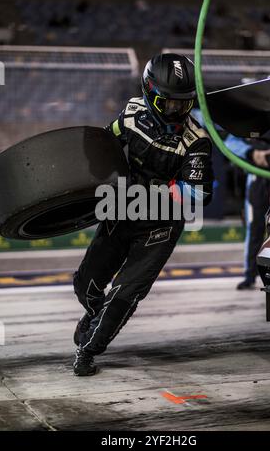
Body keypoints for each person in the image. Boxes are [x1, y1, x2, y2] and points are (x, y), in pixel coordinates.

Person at [72, 53, 214, 376]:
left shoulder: (198, 141)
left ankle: (88, 350)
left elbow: (200, 193)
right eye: (170, 104)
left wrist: (156, 194)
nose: (177, 112)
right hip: (122, 210)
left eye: (184, 104)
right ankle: (95, 314)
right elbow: (105, 145)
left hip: (161, 225)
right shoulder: (132, 112)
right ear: (150, 94)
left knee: (124, 294)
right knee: (85, 284)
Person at [225, 104, 270, 290]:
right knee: (255, 228)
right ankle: (249, 275)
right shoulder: (255, 120)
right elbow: (230, 143)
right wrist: (253, 153)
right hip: (259, 180)